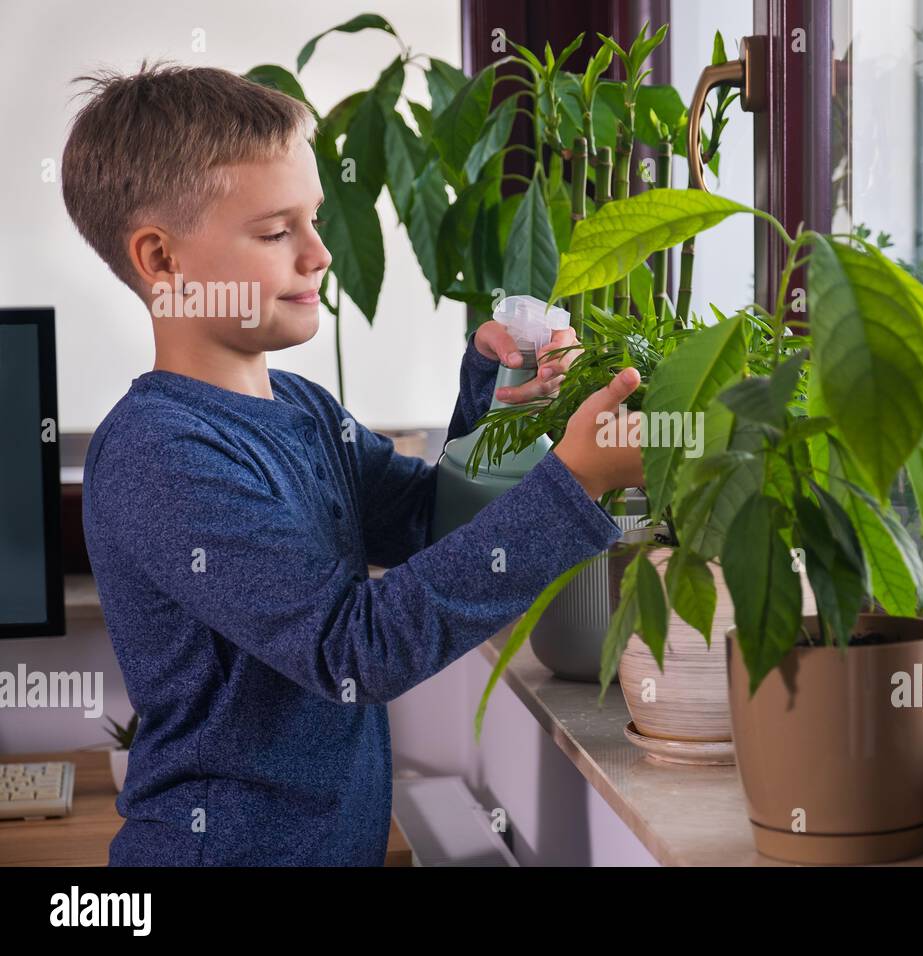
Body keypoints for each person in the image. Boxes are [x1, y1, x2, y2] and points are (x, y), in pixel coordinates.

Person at [61, 62, 643, 865]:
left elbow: (424, 522)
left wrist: (497, 409)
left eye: (315, 220)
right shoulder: (159, 454)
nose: (321, 255)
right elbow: (353, 649)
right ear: (162, 261)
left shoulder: (299, 407)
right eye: (276, 232)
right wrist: (577, 484)